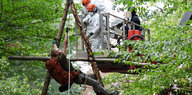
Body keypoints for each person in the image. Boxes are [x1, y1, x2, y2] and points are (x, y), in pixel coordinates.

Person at [46, 39, 118, 95]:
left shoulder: (56, 62)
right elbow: (65, 44)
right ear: (58, 53)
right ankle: (109, 94)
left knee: (93, 76)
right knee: (95, 83)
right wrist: (65, 34)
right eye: (58, 50)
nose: (60, 49)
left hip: (76, 76)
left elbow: (56, 50)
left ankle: (98, 92)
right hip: (77, 77)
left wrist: (54, 43)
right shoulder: (62, 58)